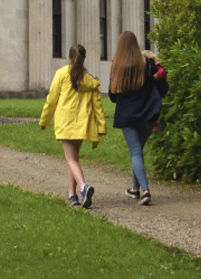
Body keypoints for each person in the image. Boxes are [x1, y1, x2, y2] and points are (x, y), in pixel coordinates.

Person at [37, 42, 108, 208]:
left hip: (66, 122)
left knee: (70, 159)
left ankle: (84, 187)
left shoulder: (61, 74)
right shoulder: (90, 79)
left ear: (69, 57)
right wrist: (101, 126)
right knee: (73, 159)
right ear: (83, 59)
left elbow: (51, 99)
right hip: (83, 123)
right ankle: (72, 194)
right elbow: (98, 104)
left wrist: (44, 121)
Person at [106, 31, 166, 205]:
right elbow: (162, 87)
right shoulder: (146, 63)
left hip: (128, 116)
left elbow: (113, 96)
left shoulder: (116, 66)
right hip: (148, 114)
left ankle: (145, 190)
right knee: (138, 151)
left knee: (135, 152)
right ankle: (135, 189)